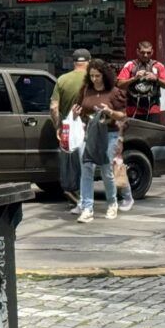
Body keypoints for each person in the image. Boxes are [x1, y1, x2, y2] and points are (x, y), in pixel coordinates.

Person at [73, 59, 130, 223]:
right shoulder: (85, 90)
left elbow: (122, 115)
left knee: (106, 170)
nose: (94, 79)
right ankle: (87, 207)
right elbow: (78, 109)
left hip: (108, 133)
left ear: (104, 75)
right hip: (88, 133)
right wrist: (76, 114)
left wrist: (110, 111)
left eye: (97, 76)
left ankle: (112, 203)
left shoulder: (113, 92)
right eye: (91, 76)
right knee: (87, 169)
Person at [50, 48, 91, 208]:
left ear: (74, 62)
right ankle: (84, 199)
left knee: (69, 162)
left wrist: (58, 126)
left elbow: (54, 107)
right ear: (88, 62)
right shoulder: (93, 80)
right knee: (86, 164)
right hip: (87, 127)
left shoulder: (62, 80)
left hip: (69, 126)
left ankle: (72, 191)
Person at [118, 41, 165, 124]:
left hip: (153, 109)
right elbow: (119, 84)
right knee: (134, 136)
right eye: (143, 52)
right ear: (137, 51)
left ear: (152, 52)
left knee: (152, 135)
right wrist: (134, 78)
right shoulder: (130, 65)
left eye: (148, 53)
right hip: (133, 108)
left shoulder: (158, 66)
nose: (145, 55)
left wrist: (156, 79)